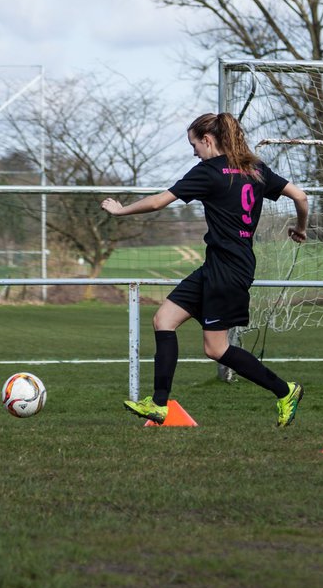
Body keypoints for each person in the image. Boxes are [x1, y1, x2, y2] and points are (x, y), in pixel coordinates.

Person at [101, 112, 310, 427]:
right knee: (164, 319)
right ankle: (158, 405)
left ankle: (286, 390)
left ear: (208, 140)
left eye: (194, 144)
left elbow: (159, 202)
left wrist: (120, 210)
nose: (194, 151)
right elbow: (301, 196)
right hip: (219, 266)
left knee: (216, 348)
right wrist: (301, 228)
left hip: (228, 271)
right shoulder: (256, 170)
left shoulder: (210, 172)